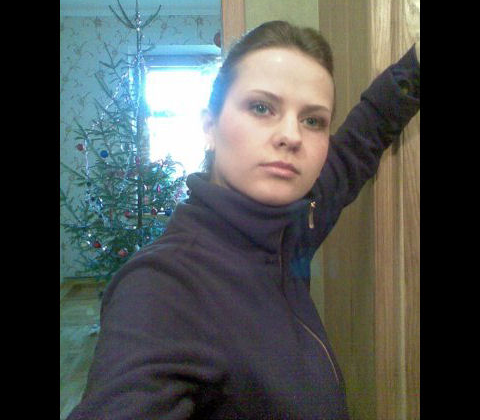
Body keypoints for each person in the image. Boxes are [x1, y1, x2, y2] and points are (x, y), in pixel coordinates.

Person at [67, 21, 420, 419]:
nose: (291, 136)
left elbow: (361, 139)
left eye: (313, 120)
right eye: (261, 108)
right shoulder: (163, 287)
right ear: (209, 127)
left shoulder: (292, 228)